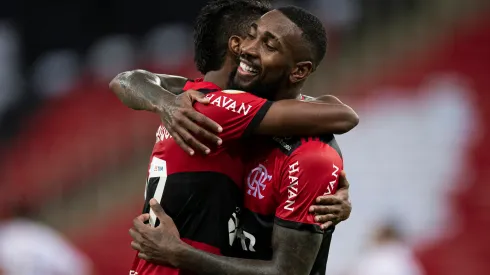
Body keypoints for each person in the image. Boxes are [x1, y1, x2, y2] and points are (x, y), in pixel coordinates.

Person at [109, 1, 356, 275]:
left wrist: (326, 193)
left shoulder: (198, 99)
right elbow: (343, 115)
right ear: (234, 44)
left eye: (269, 44)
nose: (249, 48)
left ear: (299, 70)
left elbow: (128, 79)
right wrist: (179, 254)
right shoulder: (216, 107)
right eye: (252, 35)